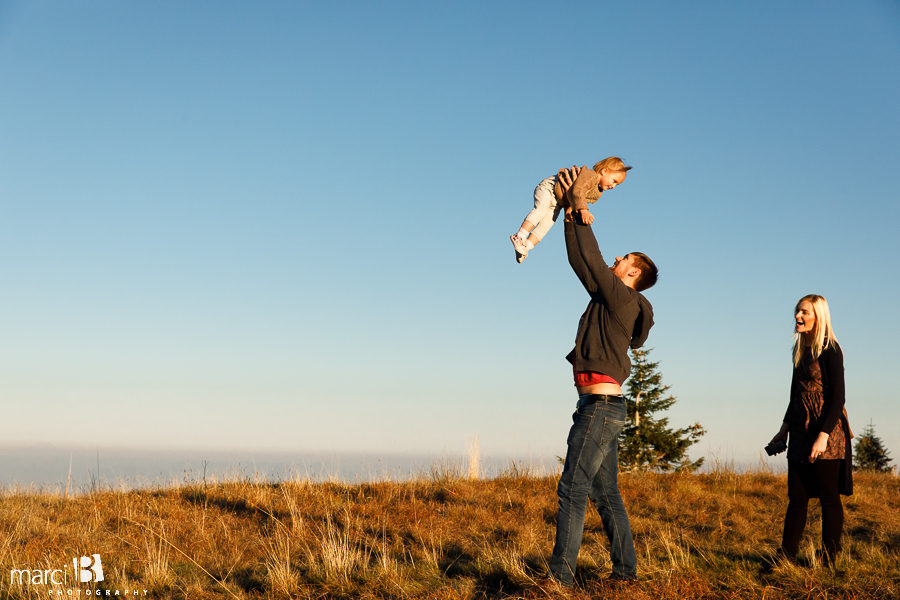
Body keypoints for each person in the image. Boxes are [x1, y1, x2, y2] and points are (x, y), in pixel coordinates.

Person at [545, 179, 657, 588]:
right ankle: (626, 574)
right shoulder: (608, 298)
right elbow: (582, 262)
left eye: (623, 258)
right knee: (604, 494)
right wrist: (571, 214)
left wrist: (580, 204)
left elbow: (593, 258)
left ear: (632, 273)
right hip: (600, 408)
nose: (616, 258)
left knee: (572, 489)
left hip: (601, 409)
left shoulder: (624, 299)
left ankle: (560, 581)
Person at [768, 294, 853, 566]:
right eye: (797, 311)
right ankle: (786, 558)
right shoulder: (800, 350)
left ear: (819, 317)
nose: (797, 316)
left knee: (829, 498)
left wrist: (823, 436)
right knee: (797, 496)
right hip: (801, 430)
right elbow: (796, 396)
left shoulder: (831, 349)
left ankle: (829, 562)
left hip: (827, 432)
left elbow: (838, 398)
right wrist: (784, 430)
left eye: (804, 312)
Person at [509, 157, 631, 263]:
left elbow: (576, 199)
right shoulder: (590, 175)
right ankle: (520, 236)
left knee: (547, 223)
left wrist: (574, 211)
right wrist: (583, 210)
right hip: (550, 188)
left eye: (617, 184)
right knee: (540, 211)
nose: (613, 186)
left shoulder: (597, 192)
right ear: (605, 171)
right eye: (614, 181)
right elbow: (577, 191)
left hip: (558, 202)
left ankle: (526, 246)